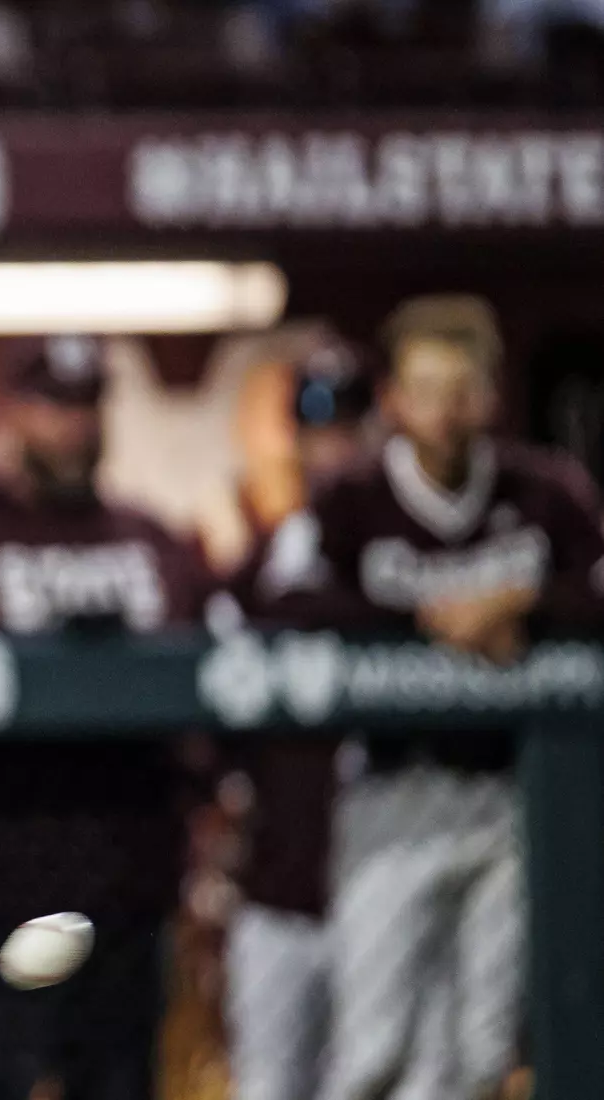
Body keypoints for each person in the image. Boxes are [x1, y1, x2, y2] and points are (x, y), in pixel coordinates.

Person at [253, 295, 604, 1100]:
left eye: (463, 390)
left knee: (479, 1055)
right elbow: (281, 601)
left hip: (506, 799)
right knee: (372, 1054)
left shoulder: (545, 492)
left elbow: (594, 586)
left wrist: (521, 603)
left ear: (490, 396)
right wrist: (425, 618)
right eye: (427, 390)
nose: (445, 412)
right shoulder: (352, 497)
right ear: (394, 400)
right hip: (391, 792)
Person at [0, 335, 213, 1100]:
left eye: (87, 405)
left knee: (121, 1083)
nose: (74, 426)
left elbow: (210, 693)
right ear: (10, 413)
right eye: (53, 406)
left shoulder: (153, 540)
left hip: (128, 882)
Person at [219, 333, 377, 1100]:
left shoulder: (410, 557)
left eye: (348, 429)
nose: (334, 450)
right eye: (318, 431)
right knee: (270, 1085)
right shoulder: (260, 569)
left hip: (385, 875)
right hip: (280, 885)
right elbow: (213, 726)